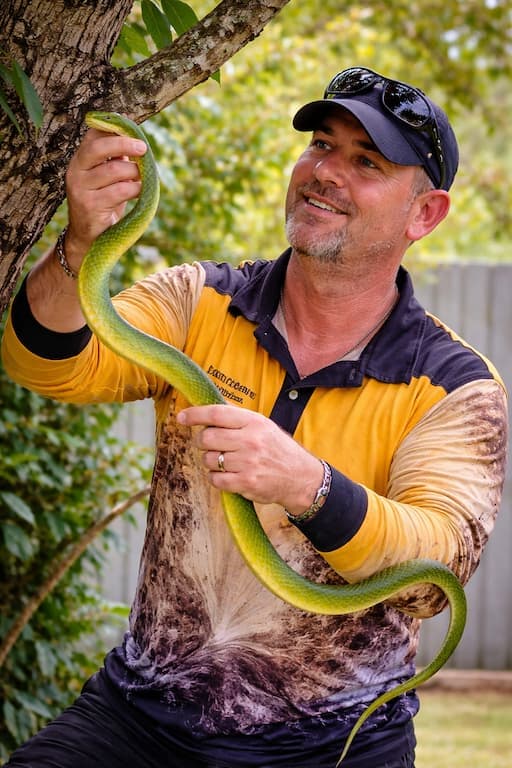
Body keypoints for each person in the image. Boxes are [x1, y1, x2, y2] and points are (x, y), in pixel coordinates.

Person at [1, 67, 507, 768]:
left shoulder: (456, 387)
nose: (326, 172)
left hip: (331, 742)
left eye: (366, 162)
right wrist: (82, 247)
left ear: (424, 214)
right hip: (141, 717)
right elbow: (48, 365)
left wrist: (310, 487)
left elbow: (435, 572)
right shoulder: (202, 300)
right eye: (322, 146)